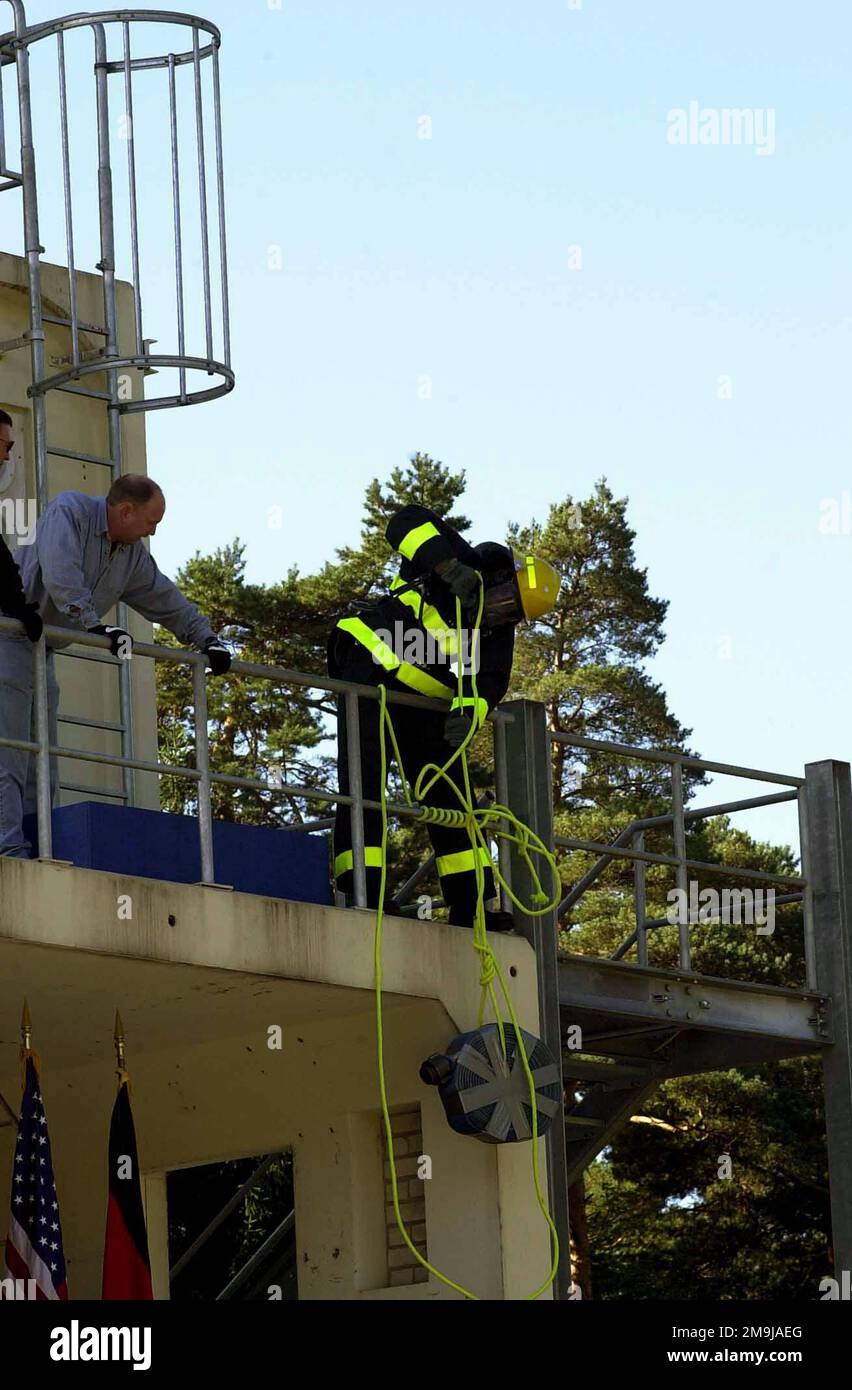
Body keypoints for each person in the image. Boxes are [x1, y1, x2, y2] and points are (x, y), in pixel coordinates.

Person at [327, 502, 561, 929]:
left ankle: (471, 907)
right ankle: (365, 891)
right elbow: (403, 522)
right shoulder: (462, 558)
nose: (502, 613)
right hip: (368, 661)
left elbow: (487, 683)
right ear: (501, 578)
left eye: (514, 613)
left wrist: (469, 715)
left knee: (450, 793)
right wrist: (446, 564)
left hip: (423, 694)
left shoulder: (496, 629)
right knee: (365, 781)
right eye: (506, 600)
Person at [0, 474, 232, 859]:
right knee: (10, 751)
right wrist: (94, 624)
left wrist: (207, 639)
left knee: (43, 759)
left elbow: (164, 597)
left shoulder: (131, 554)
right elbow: (61, 574)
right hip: (8, 638)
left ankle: (36, 847)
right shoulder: (69, 512)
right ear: (125, 511)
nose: (152, 531)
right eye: (151, 522)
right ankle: (8, 849)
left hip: (42, 650)